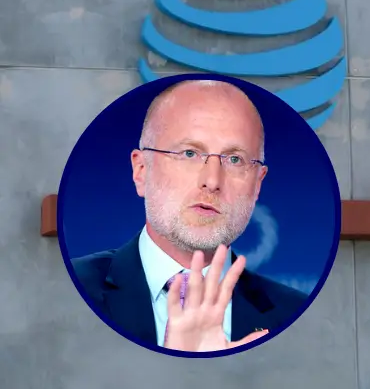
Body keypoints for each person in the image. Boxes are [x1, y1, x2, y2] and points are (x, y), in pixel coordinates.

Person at [70, 79, 309, 353]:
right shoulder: (66, 289)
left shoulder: (297, 317)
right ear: (141, 170)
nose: (212, 181)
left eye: (235, 160)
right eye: (190, 153)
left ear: (257, 185)